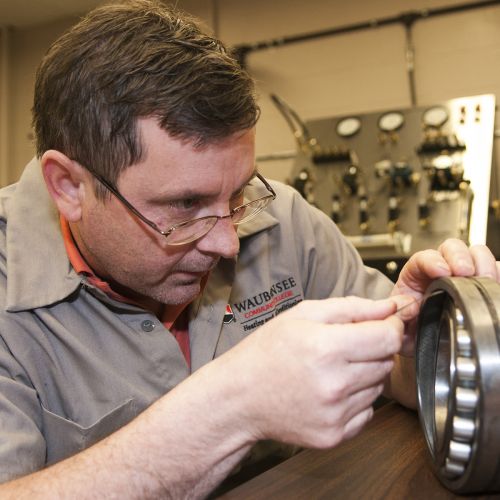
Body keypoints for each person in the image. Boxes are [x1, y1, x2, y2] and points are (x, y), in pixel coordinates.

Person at [0, 0, 498, 497]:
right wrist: (233, 408)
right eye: (186, 205)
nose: (228, 240)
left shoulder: (286, 221)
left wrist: (425, 340)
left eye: (238, 192)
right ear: (68, 187)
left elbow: (398, 375)